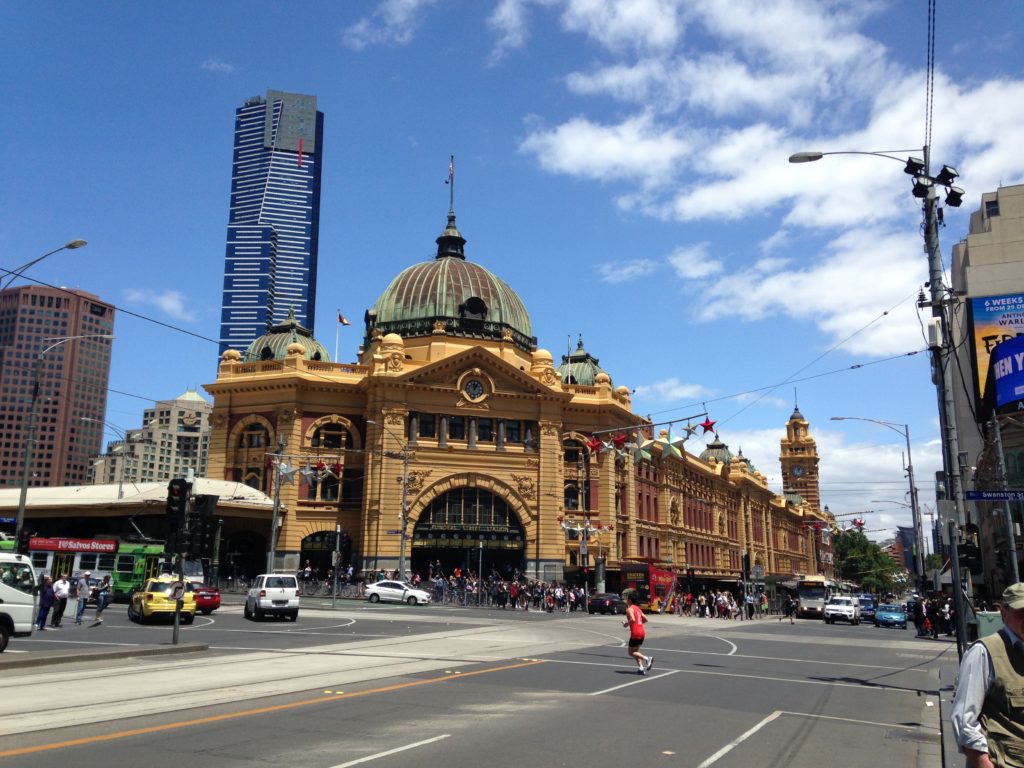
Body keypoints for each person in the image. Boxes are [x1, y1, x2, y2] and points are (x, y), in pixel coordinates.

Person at [951, 581, 1024, 768]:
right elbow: (964, 720)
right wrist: (982, 762)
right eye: (1021, 613)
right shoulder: (985, 652)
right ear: (1004, 614)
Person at [623, 592, 654, 675]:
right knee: (636, 651)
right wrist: (639, 623)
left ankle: (647, 658)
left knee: (631, 652)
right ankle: (640, 668)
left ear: (629, 600)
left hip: (635, 632)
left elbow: (632, 619)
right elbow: (646, 619)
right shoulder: (638, 609)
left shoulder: (629, 609)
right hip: (642, 632)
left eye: (627, 599)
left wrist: (626, 624)